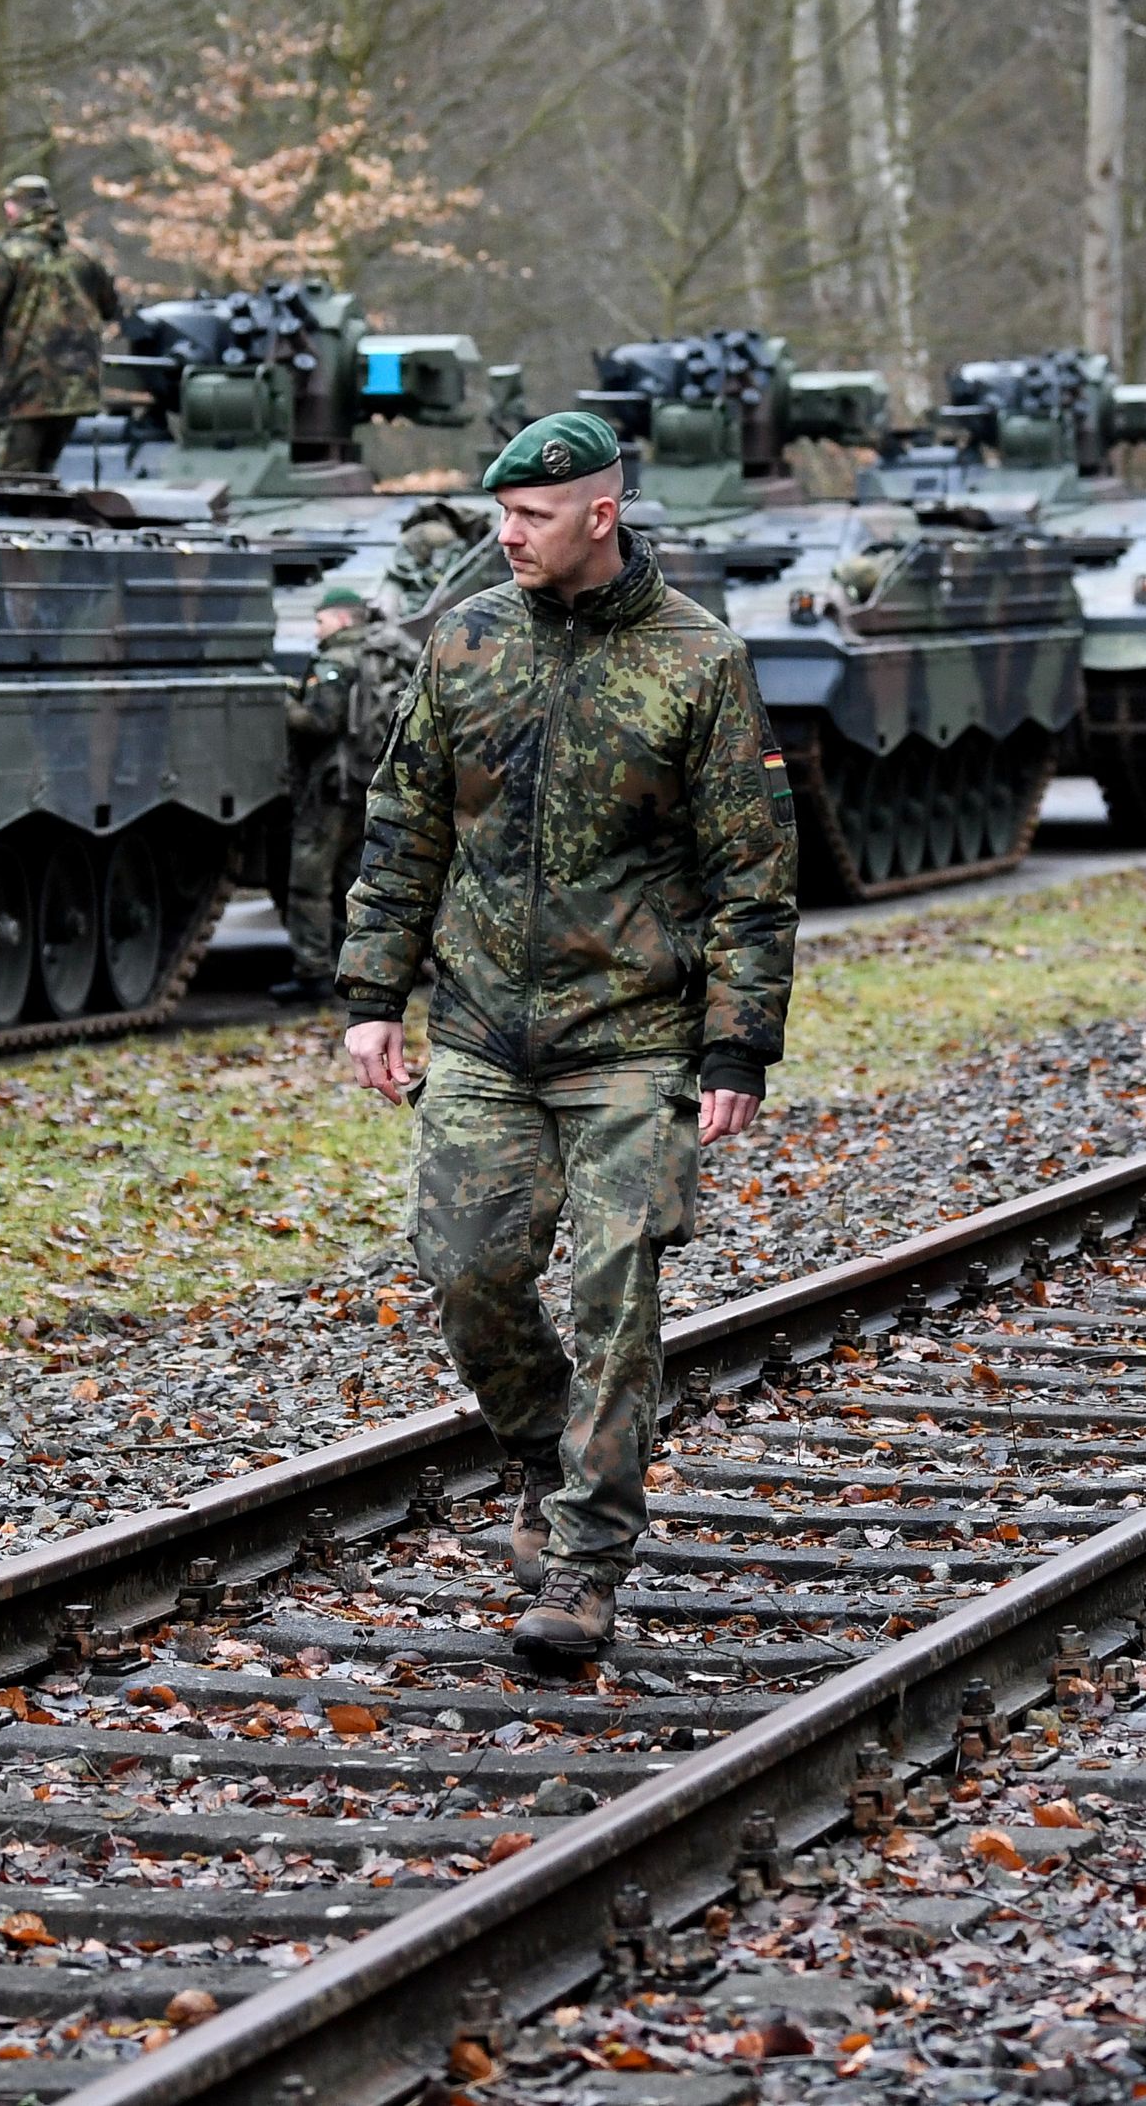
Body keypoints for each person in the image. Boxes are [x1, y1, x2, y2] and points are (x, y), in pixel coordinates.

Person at [337, 409, 797, 1667]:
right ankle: (550, 1458)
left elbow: (752, 873)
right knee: (466, 1270)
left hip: (633, 1036)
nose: (508, 534)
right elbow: (405, 824)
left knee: (615, 1299)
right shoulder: (466, 639)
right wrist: (373, 993)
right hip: (481, 1029)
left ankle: (587, 1565)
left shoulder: (697, 660)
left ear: (600, 514)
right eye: (501, 514)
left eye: (531, 516)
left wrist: (737, 1046)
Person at [276, 586, 425, 1001]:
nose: (316, 630)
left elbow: (318, 722)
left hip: (332, 787)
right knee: (355, 879)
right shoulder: (384, 653)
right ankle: (359, 970)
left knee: (309, 882)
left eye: (320, 620)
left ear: (342, 620)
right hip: (370, 781)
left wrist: (283, 700)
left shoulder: (336, 661)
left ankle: (312, 971)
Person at [0, 173, 125, 473]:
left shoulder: (11, 255)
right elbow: (112, 308)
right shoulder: (86, 254)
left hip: (28, 387)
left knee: (10, 481)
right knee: (43, 475)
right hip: (76, 389)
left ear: (15, 208)